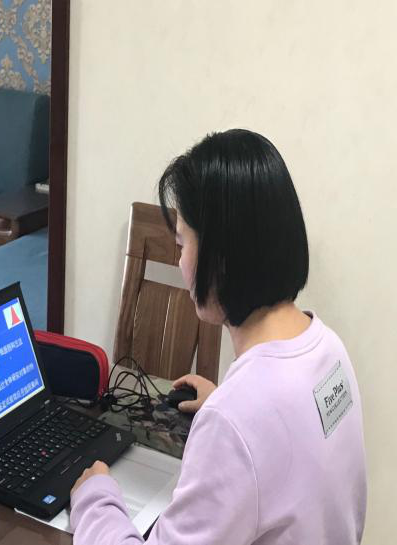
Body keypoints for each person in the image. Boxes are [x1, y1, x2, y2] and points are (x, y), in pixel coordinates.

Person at [68, 129, 367, 544]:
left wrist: (95, 498)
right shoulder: (328, 348)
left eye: (181, 243)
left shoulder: (237, 419)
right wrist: (225, 405)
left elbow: (253, 422)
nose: (180, 262)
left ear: (221, 256)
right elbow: (291, 445)